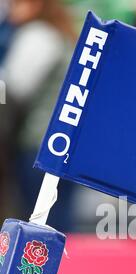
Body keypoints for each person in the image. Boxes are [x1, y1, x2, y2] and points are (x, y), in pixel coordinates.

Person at [0, 0, 77, 232]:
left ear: (36, 4)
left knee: (36, 227)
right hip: (62, 146)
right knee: (57, 225)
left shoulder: (38, 35)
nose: (10, 10)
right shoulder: (59, 34)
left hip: (38, 146)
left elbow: (13, 88)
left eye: (16, 4)